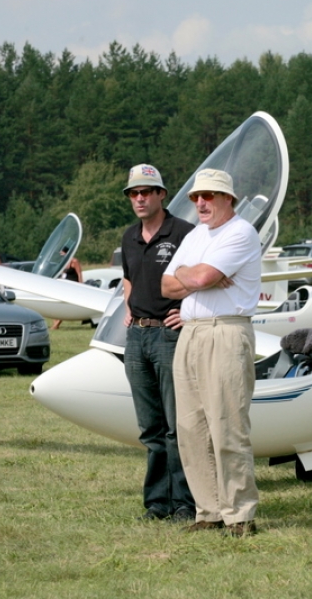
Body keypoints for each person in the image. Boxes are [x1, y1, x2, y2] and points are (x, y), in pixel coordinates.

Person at [161, 168, 261, 538]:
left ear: (227, 199)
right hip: (190, 333)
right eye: (196, 197)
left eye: (209, 196)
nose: (200, 203)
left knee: (227, 426)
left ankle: (240, 514)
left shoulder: (240, 232)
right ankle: (208, 512)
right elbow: (166, 285)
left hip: (226, 331)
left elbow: (194, 280)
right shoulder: (195, 236)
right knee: (191, 427)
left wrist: (196, 277)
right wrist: (201, 275)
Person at [120, 163, 196, 522]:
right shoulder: (128, 237)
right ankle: (157, 505)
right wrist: (128, 311)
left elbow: (205, 278)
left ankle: (184, 503)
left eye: (146, 192)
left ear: (162, 194)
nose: (139, 198)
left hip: (170, 336)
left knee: (176, 426)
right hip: (137, 336)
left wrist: (188, 311)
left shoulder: (185, 233)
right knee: (150, 428)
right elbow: (129, 281)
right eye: (134, 193)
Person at [50, 247, 84, 330]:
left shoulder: (74, 261)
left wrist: (81, 285)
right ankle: (55, 324)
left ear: (67, 253)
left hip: (73, 286)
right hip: (65, 285)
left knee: (65, 305)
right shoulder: (64, 262)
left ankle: (56, 325)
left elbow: (79, 273)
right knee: (57, 304)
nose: (61, 255)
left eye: (62, 253)